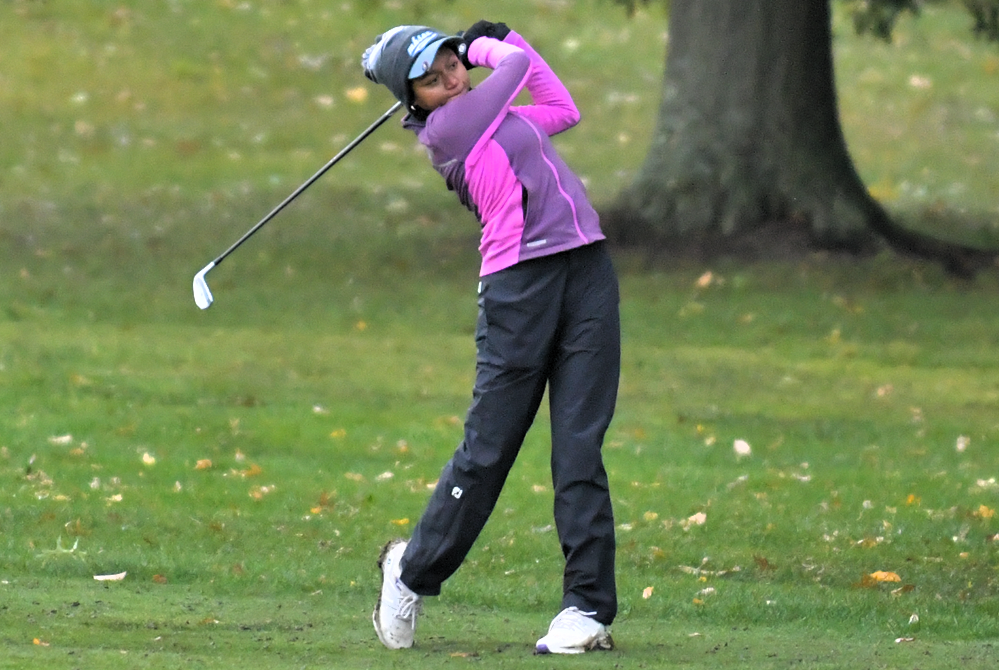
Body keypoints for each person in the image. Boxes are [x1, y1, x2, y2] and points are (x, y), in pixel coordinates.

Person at [361, 20, 620, 655]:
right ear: (413, 101)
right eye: (430, 79)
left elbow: (561, 106)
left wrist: (512, 34)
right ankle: (411, 572)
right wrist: (487, 46)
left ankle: (585, 608)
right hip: (518, 291)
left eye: (451, 63)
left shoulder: (505, 119)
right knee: (489, 451)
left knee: (579, 447)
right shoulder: (450, 130)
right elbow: (510, 72)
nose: (450, 79)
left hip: (586, 270)